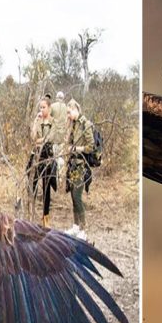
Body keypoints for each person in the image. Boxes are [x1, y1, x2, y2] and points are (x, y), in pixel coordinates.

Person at [64, 98, 95, 240]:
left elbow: (91, 147)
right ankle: (76, 226)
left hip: (82, 165)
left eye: (69, 112)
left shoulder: (85, 124)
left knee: (77, 196)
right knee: (72, 196)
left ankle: (83, 229)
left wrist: (76, 148)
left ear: (75, 109)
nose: (68, 115)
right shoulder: (74, 125)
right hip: (73, 165)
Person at [29, 96, 56, 227]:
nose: (42, 109)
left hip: (47, 155)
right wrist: (35, 122)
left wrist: (41, 140)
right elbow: (33, 137)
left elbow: (50, 138)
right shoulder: (38, 121)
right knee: (32, 182)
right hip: (36, 155)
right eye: (40, 107)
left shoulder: (53, 121)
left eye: (44, 107)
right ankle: (31, 213)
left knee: (47, 188)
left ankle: (45, 218)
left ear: (49, 108)